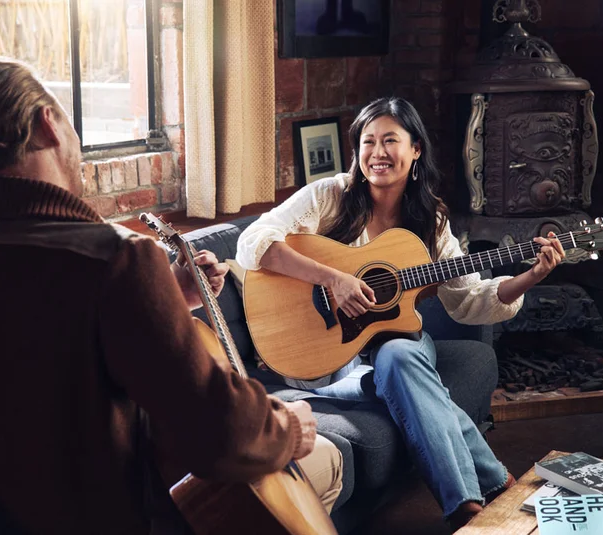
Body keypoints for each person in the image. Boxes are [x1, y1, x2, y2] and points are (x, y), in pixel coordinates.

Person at [0, 56, 341, 535]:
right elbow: (217, 435)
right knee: (319, 470)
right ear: (47, 125)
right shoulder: (116, 259)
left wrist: (169, 296)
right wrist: (289, 429)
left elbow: (41, 362)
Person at [236, 97, 566, 529]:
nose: (377, 153)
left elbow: (466, 300)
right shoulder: (329, 195)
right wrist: (330, 278)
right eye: (368, 141)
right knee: (410, 370)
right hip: (327, 360)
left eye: (390, 140)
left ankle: (464, 508)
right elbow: (252, 242)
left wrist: (530, 277)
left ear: (416, 150)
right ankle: (490, 481)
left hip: (394, 354)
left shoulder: (431, 218)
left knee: (399, 354)